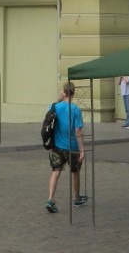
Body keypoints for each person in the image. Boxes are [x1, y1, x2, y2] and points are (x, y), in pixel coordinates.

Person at [45, 81, 87, 213]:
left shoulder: (54, 107)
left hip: (56, 145)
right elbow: (78, 130)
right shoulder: (75, 109)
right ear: (74, 93)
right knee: (75, 171)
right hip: (72, 146)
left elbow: (49, 119)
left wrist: (59, 98)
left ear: (63, 92)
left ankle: (50, 199)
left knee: (55, 171)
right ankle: (76, 198)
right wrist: (82, 149)